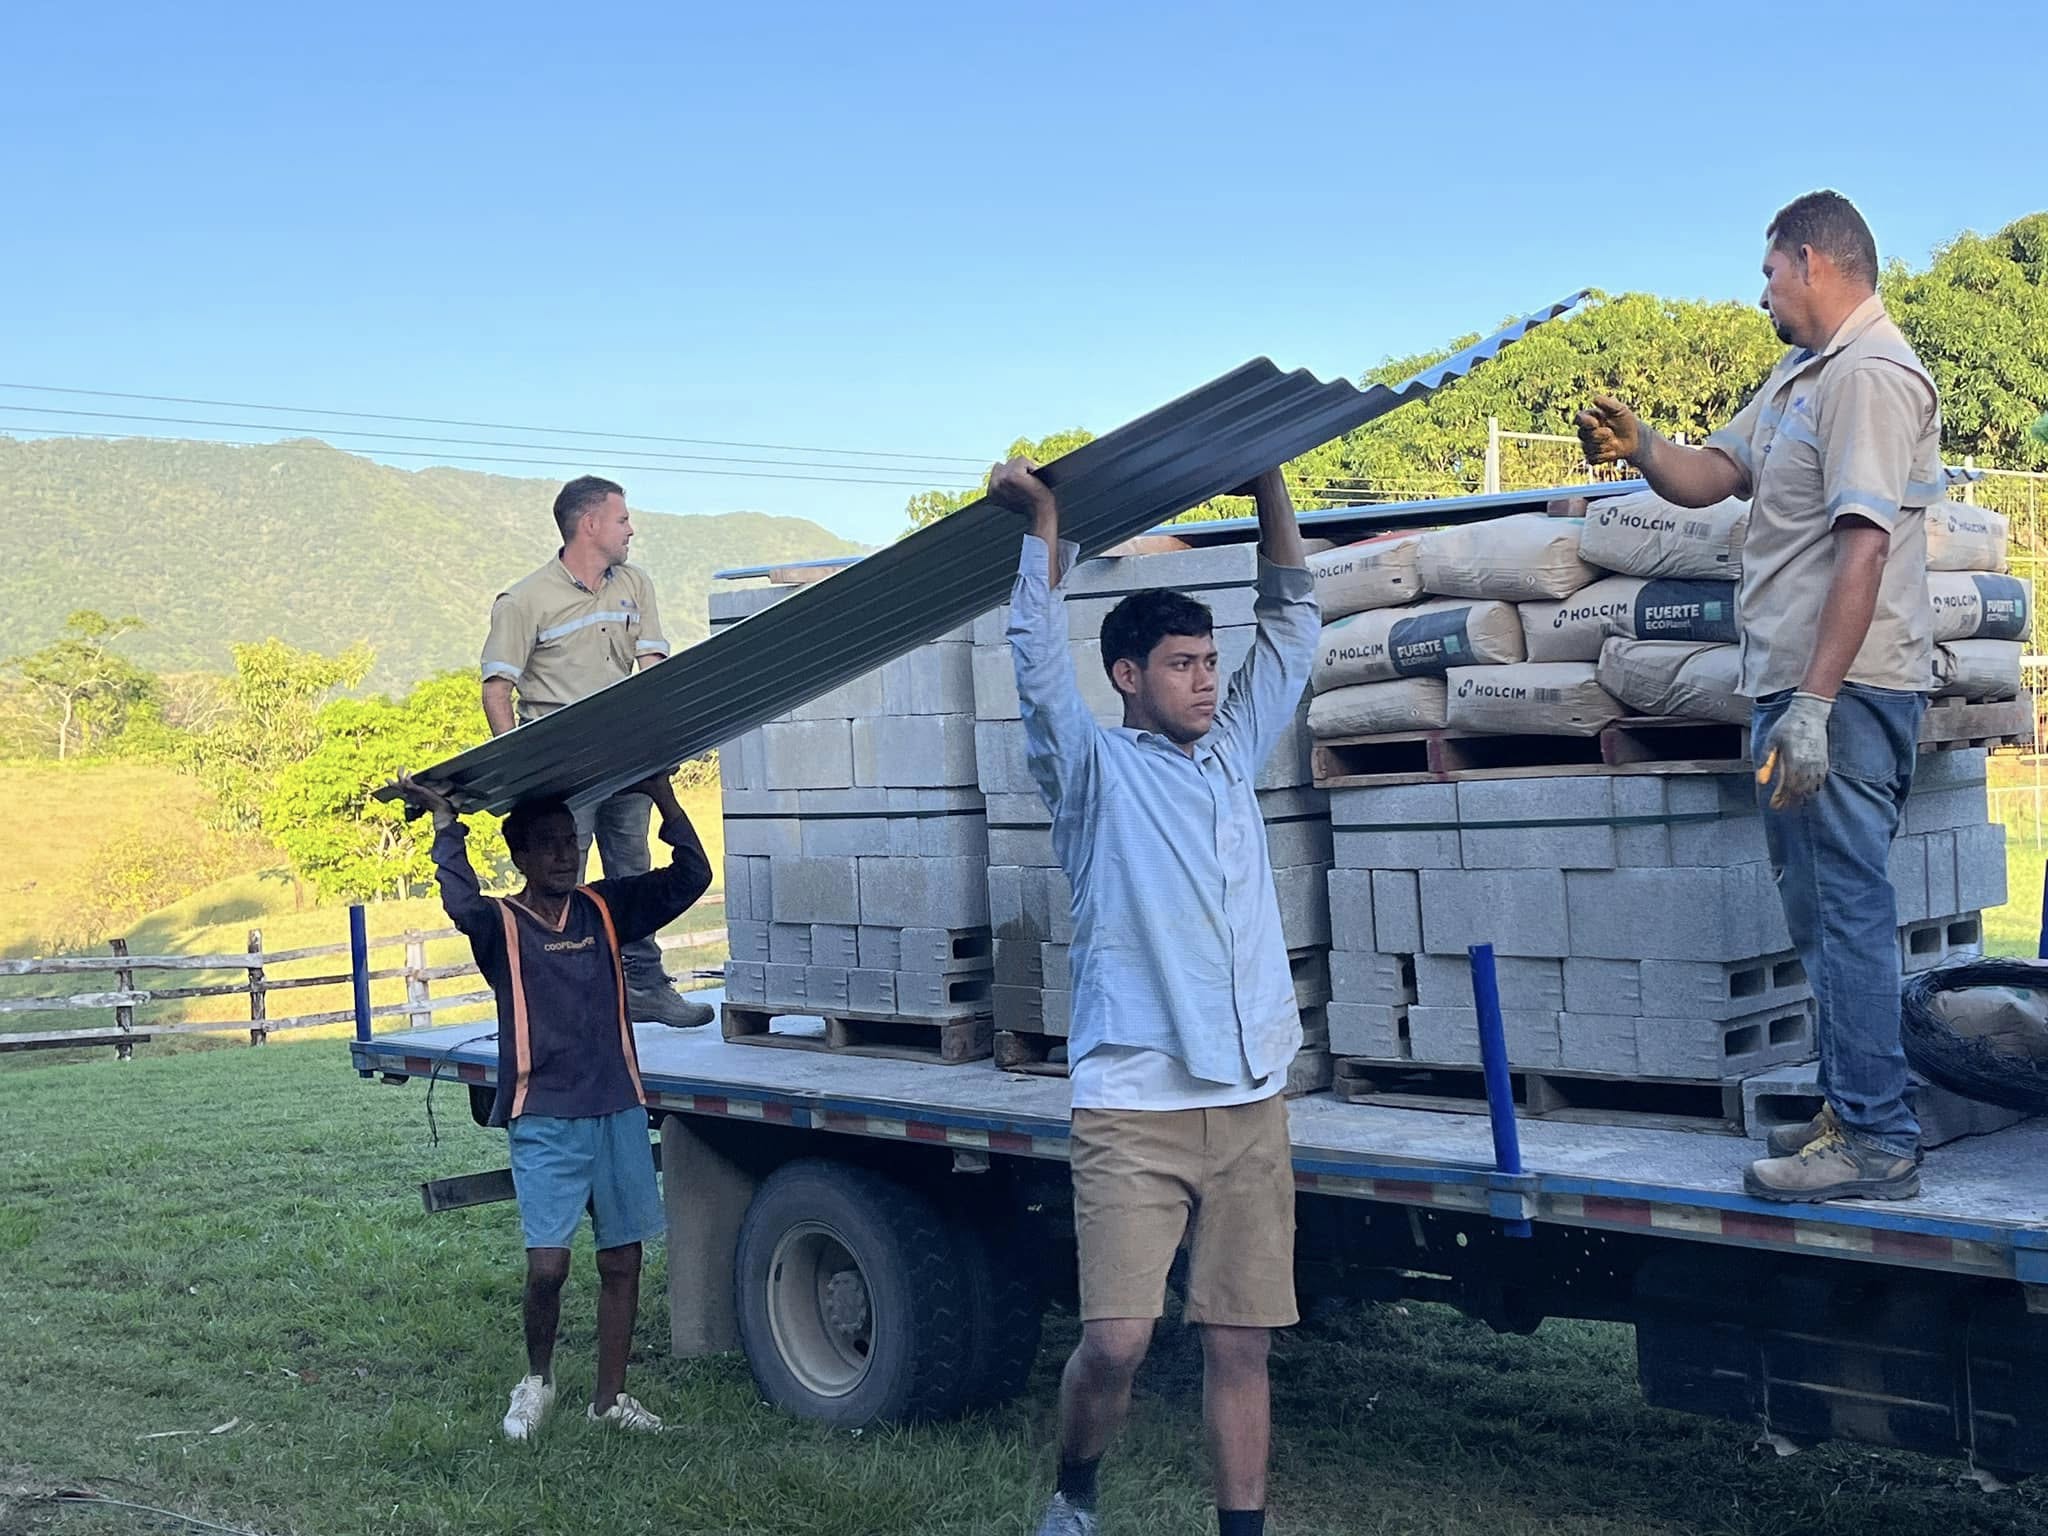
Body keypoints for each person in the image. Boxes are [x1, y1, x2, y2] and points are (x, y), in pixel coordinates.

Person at [1577, 189, 1942, 1203]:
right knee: (1821, 914)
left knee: (1844, 907)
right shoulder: (1797, 376)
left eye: (1769, 271)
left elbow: (1861, 546)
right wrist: (1642, 445)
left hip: (1844, 690)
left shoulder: (1867, 375)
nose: (1761, 292)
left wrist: (1817, 705)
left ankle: (1874, 1140)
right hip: (1793, 685)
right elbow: (1714, 475)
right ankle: (1853, 1109)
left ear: (1814, 260)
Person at [989, 456, 1316, 1536]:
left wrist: (1267, 482)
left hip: (1250, 1098)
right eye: (1180, 665)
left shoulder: (1229, 759)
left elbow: (1293, 626)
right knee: (1117, 1341)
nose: (1205, 682)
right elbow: (1036, 664)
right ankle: (1074, 1491)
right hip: (1133, 1104)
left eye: (1209, 663)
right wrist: (1044, 526)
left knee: (1238, 1340)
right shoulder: (1090, 775)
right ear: (1127, 677)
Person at [394, 766, 714, 1439]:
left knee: (622, 1259)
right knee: (549, 1266)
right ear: (522, 857)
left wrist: (659, 793)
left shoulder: (603, 908)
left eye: (571, 842)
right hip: (543, 1113)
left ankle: (609, 1401)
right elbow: (458, 902)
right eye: (548, 845)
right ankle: (536, 1381)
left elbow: (691, 878)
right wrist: (446, 828)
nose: (565, 855)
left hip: (617, 1105)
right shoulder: (499, 924)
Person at [479, 474, 713, 1029]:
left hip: (627, 759)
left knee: (634, 870)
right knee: (562, 875)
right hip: (561, 773)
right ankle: (558, 992)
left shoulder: (635, 583)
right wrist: (519, 776)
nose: (631, 528)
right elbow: (496, 689)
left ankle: (646, 986)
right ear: (590, 525)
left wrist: (660, 742)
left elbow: (652, 665)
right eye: (622, 518)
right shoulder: (525, 600)